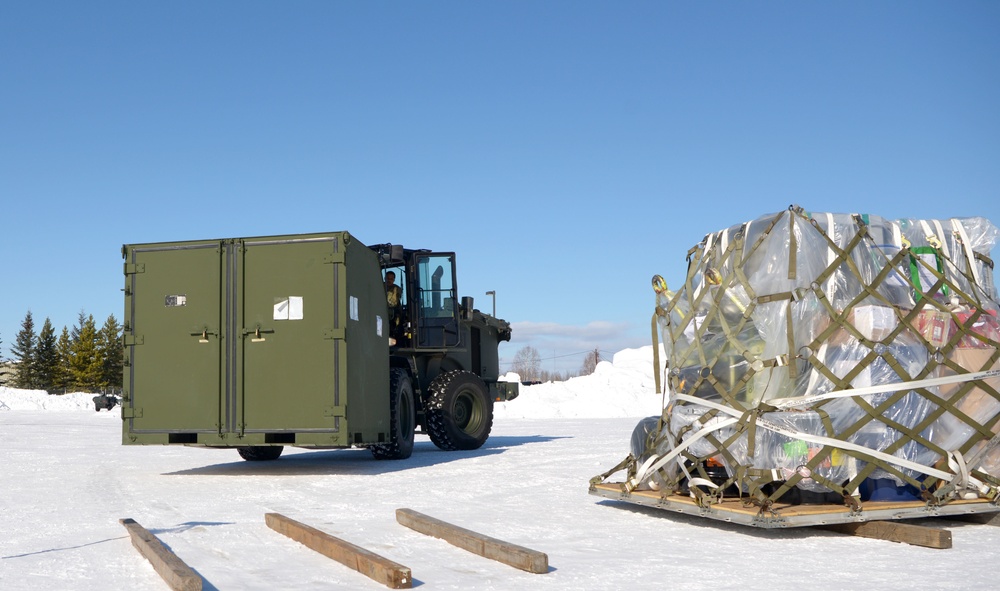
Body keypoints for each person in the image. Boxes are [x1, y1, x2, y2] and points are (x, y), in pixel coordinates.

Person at [384, 271, 403, 338]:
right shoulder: (380, 287)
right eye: (388, 278)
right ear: (384, 278)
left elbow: (393, 302)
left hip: (393, 314)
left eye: (391, 279)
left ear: (394, 280)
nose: (389, 280)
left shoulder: (396, 289)